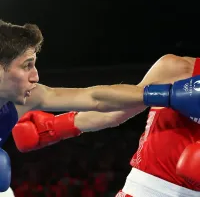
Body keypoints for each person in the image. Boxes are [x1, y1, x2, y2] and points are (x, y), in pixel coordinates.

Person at [0, 18, 200, 195]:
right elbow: (109, 107)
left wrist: (167, 95)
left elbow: (94, 97)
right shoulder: (179, 68)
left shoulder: (33, 95)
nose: (35, 76)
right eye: (27, 65)